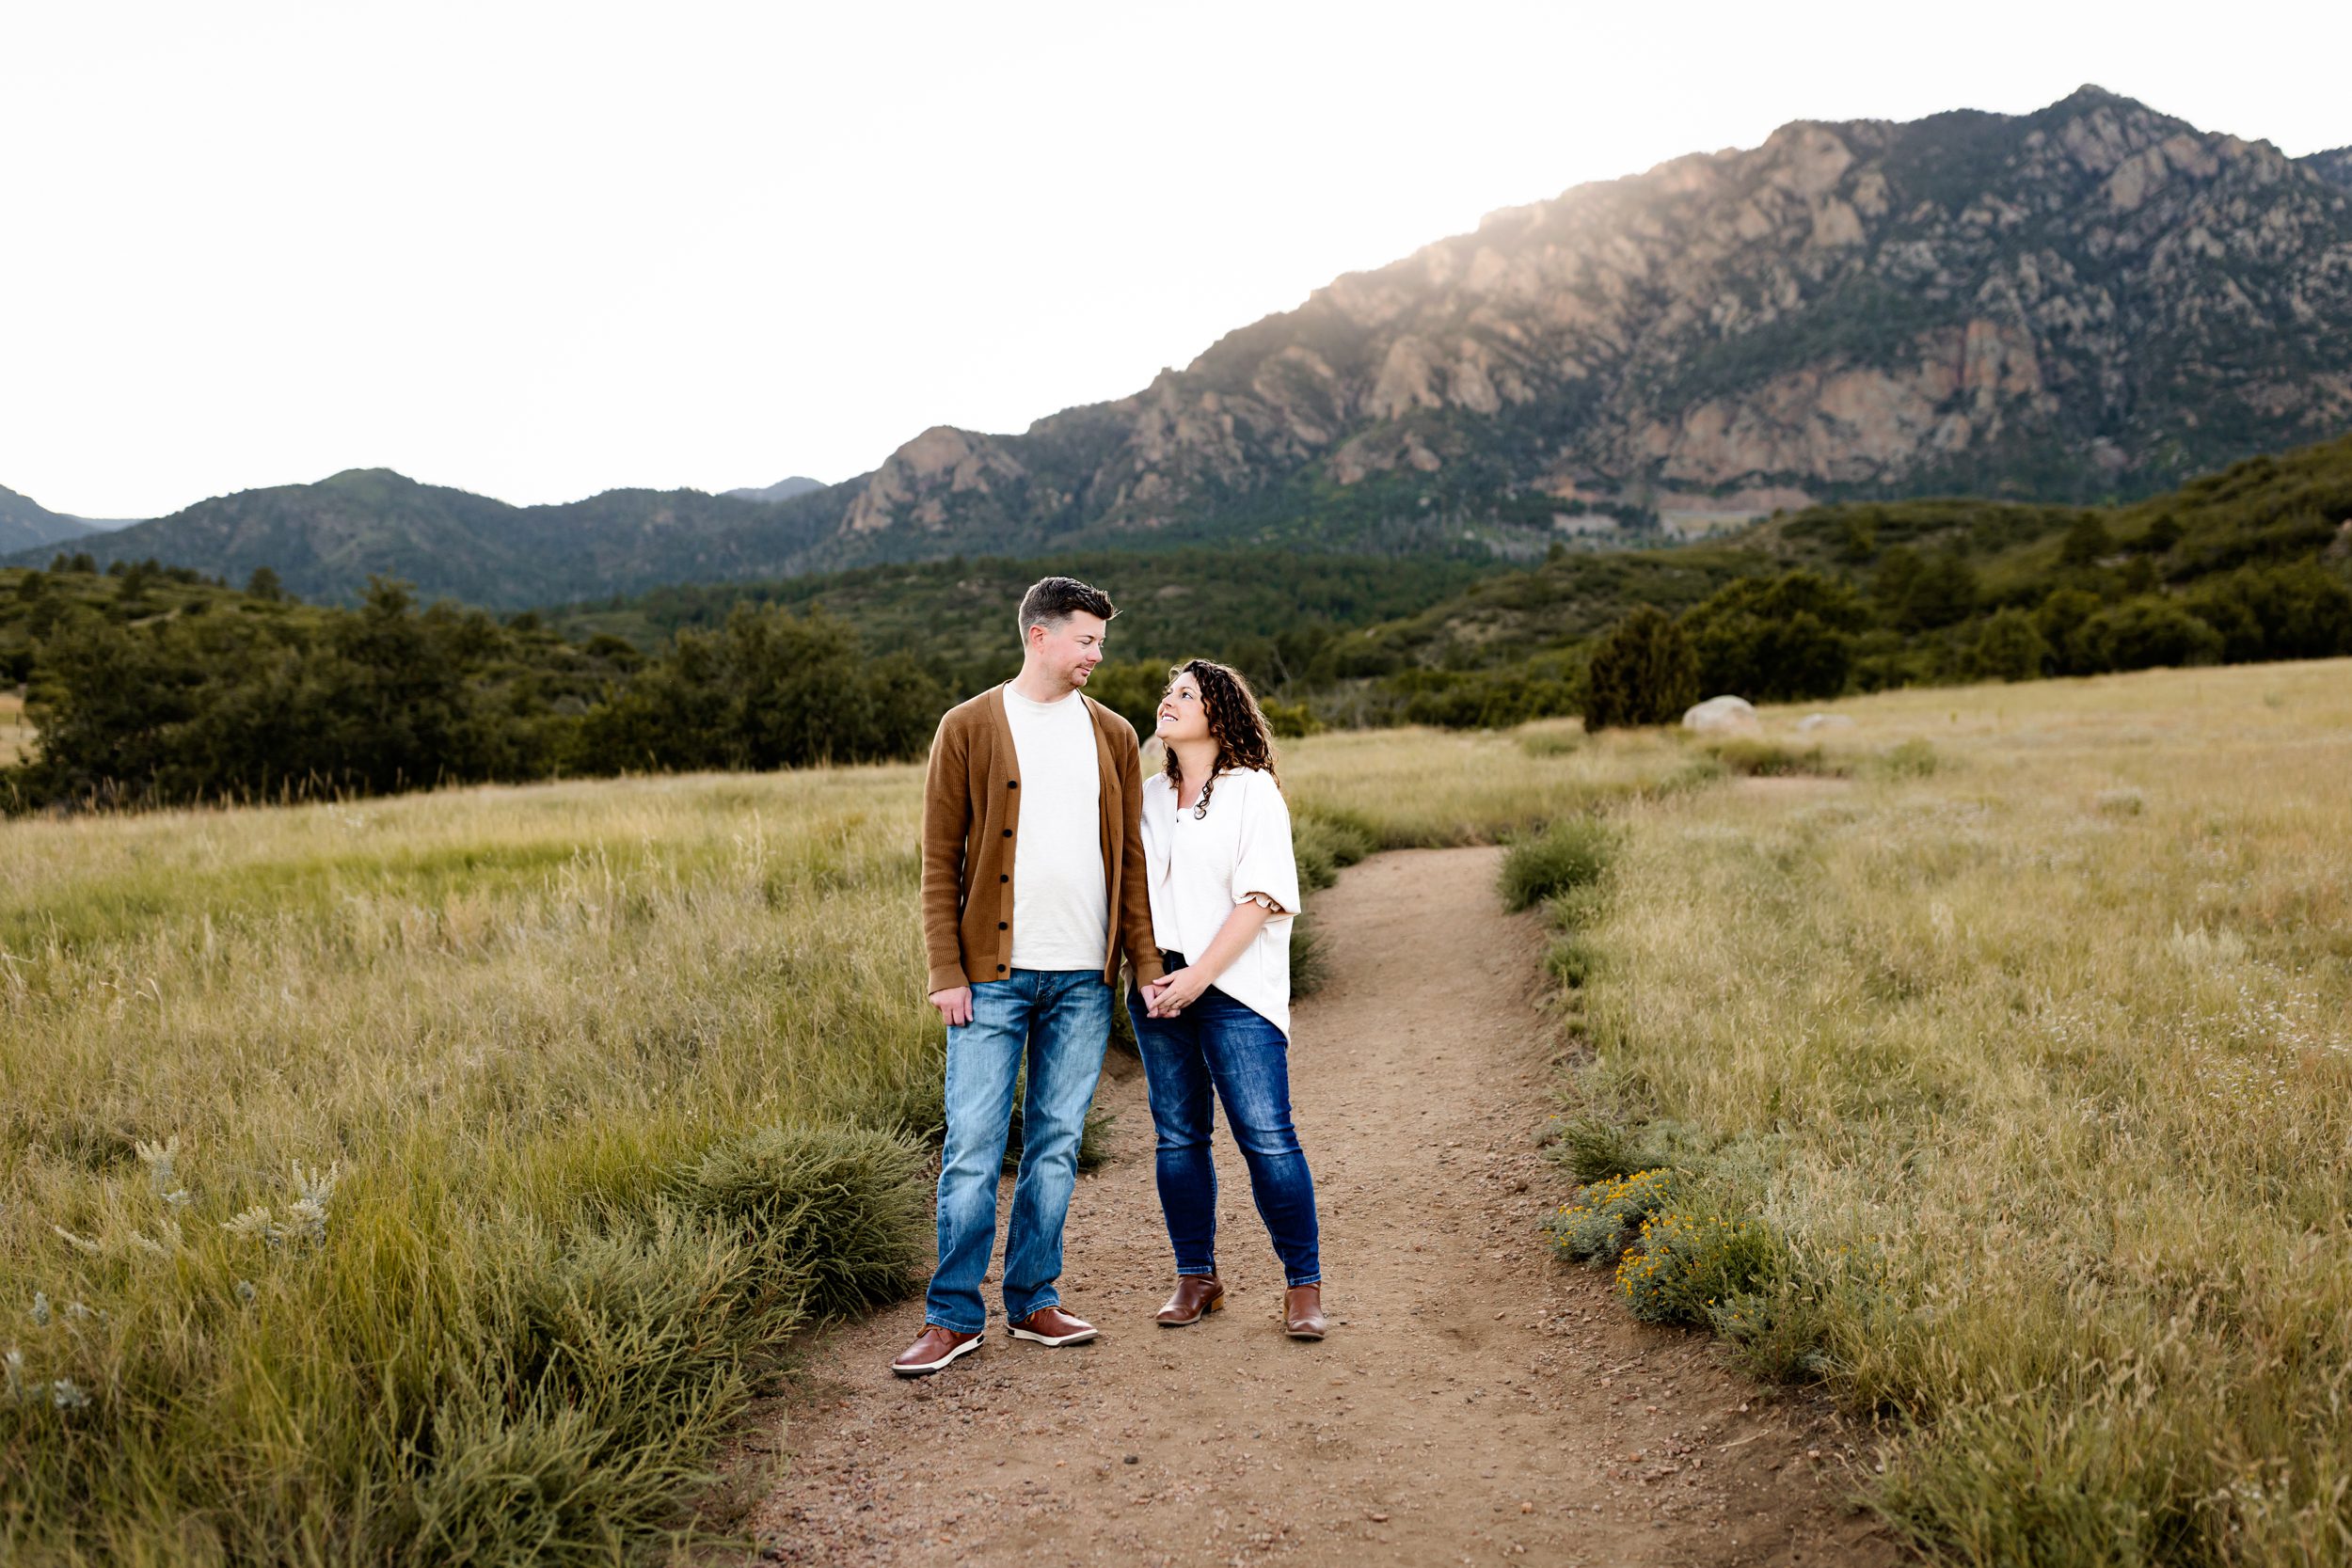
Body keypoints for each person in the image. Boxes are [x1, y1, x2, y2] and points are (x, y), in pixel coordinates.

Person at [893, 577, 1165, 1377]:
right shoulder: (969, 725)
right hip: (989, 980)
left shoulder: (1114, 734)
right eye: (1086, 641)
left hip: (1083, 978)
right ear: (1039, 636)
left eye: (1101, 645)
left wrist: (1142, 962)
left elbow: (1132, 860)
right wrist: (948, 968)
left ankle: (1034, 1298)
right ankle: (952, 1317)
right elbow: (940, 859)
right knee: (973, 1146)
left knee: (1055, 1144)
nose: (1096, 656)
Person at [1131, 659, 1325, 1340]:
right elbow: (1133, 894)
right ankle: (1196, 1276)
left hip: (1235, 987)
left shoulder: (1252, 792)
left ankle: (1302, 1286)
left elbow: (1262, 898)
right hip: (1159, 986)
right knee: (1178, 1137)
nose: (1169, 700)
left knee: (1266, 1138)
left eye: (1187, 693)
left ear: (1220, 713)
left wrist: (1199, 976)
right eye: (1167, 692)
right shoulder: (1148, 796)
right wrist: (1150, 971)